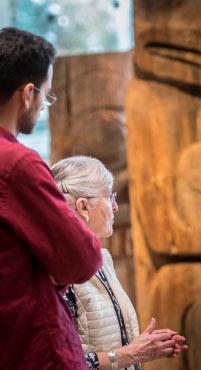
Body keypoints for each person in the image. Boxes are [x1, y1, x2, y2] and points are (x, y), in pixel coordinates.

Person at [0, 28, 102, 369]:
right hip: (29, 346)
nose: (44, 105)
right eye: (46, 95)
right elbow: (82, 258)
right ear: (28, 93)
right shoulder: (16, 164)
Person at [51, 156, 188, 370]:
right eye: (109, 196)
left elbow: (104, 341)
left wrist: (142, 347)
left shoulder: (102, 260)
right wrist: (132, 353)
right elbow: (59, 363)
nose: (115, 207)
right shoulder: (58, 271)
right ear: (83, 206)